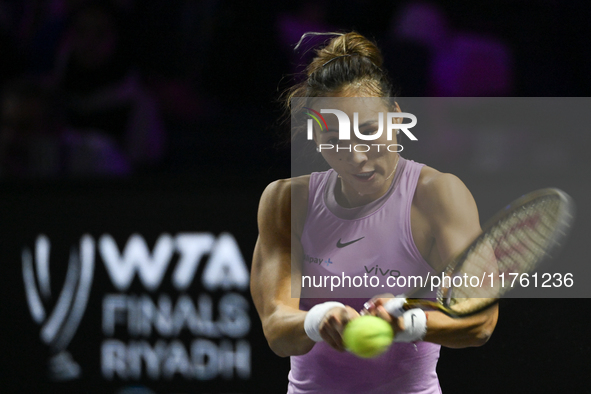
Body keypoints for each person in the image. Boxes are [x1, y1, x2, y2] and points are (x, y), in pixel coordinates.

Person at [250, 32, 498, 394]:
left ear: (396, 118)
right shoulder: (285, 201)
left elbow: (481, 321)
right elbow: (276, 329)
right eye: (334, 138)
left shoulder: (439, 195)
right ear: (315, 138)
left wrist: (409, 323)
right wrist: (320, 320)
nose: (357, 157)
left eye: (368, 130)